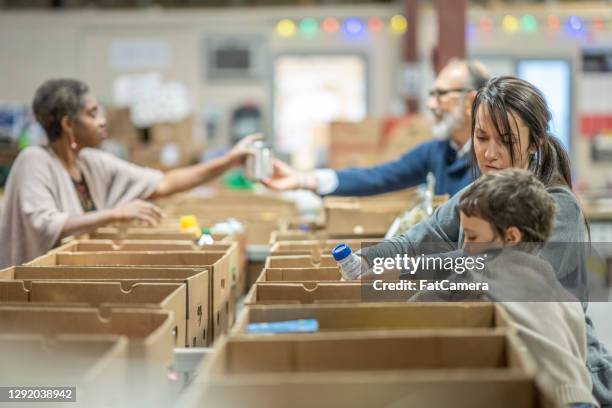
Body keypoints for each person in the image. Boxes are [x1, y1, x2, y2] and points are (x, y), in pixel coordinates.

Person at [357, 76, 612, 407]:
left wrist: (413, 286)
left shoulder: (556, 207)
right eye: (481, 137)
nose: (489, 154)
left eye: (505, 140)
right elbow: (417, 240)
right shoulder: (477, 197)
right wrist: (367, 260)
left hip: (567, 376)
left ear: (534, 143)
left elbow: (497, 274)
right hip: (499, 356)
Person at [0, 79, 260, 268]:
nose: (103, 121)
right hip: (31, 284)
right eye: (92, 114)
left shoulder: (91, 162)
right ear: (67, 124)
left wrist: (228, 161)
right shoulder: (34, 161)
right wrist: (116, 213)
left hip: (70, 275)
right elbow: (45, 223)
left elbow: (164, 182)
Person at [410, 169, 597, 407]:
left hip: (546, 397)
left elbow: (419, 304)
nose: (465, 248)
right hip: (580, 396)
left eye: (472, 237)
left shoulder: (487, 268)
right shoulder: (558, 291)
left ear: (510, 238)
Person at [263, 59, 490, 196]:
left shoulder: (494, 157)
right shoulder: (438, 151)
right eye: (432, 94)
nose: (431, 104)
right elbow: (379, 176)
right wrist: (304, 180)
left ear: (471, 100)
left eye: (441, 94)